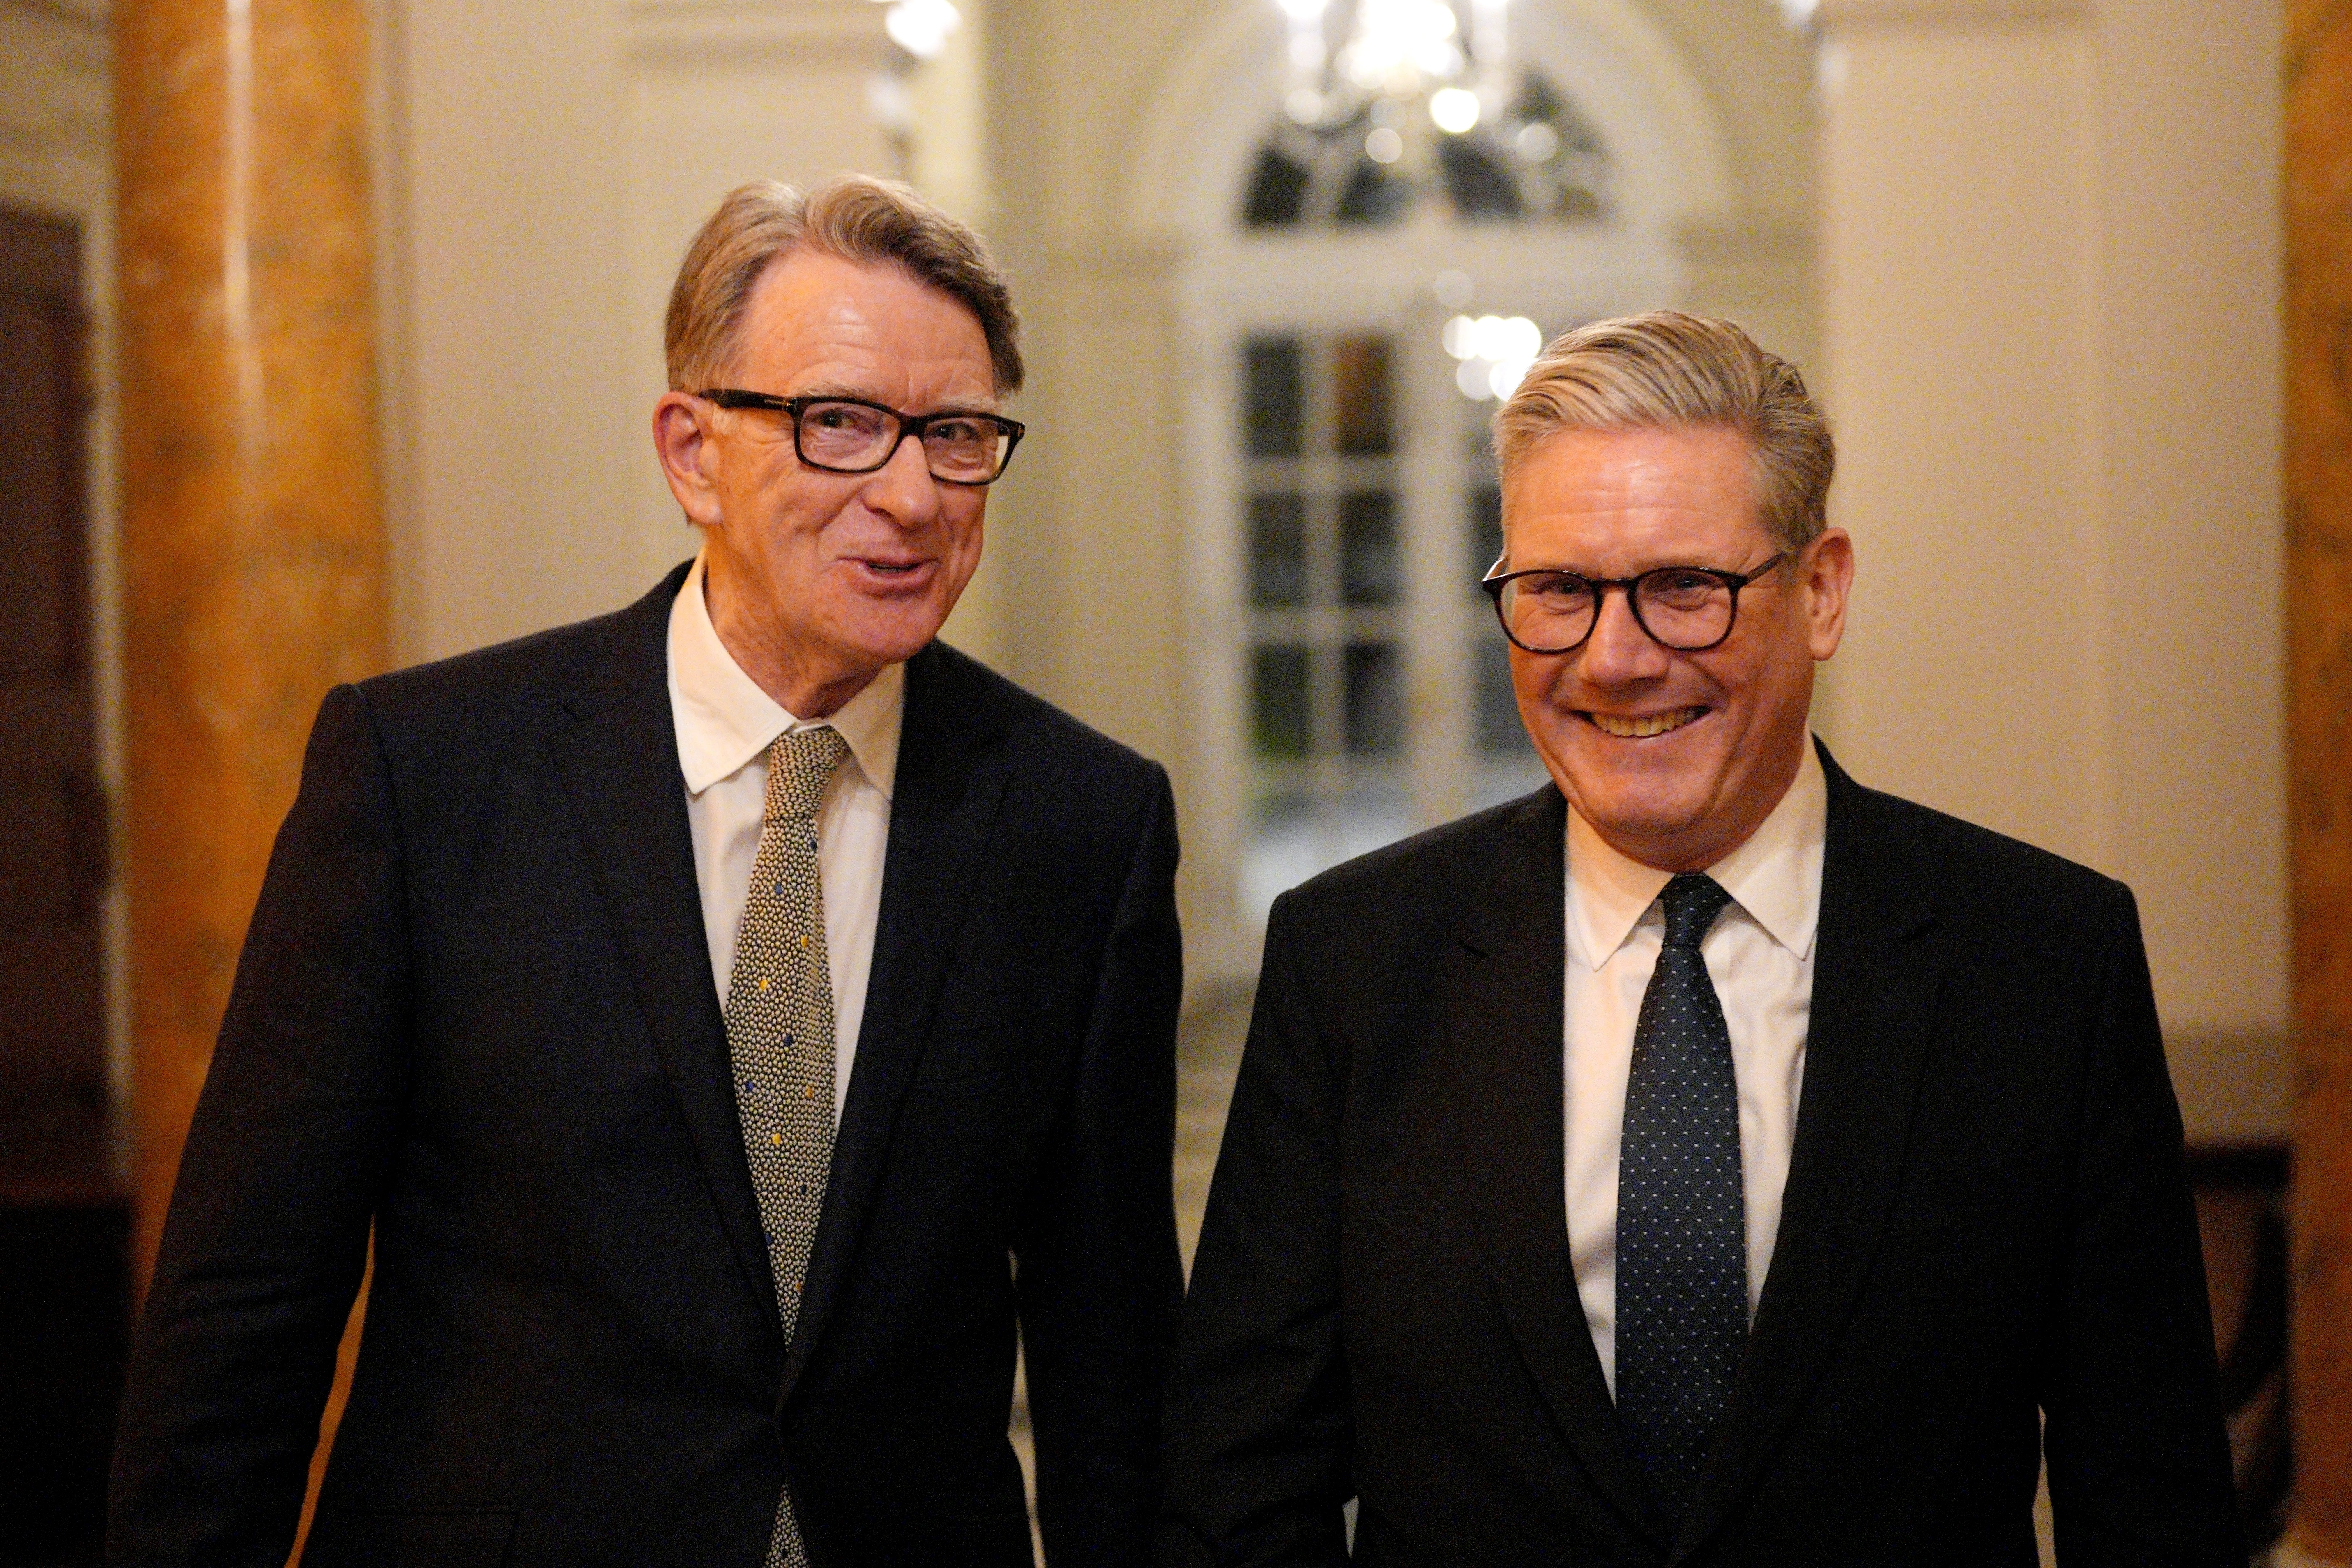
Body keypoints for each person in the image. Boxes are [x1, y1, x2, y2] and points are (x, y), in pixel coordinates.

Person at [109, 176, 1183, 1567]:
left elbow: (1114, 1363)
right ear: (692, 454)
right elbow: (247, 1304)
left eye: (957, 436)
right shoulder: (424, 776)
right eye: (840, 423)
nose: (912, 496)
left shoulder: (1079, 825)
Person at [1161, 312, 2239, 1564]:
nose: (1614, 659)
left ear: (1821, 591)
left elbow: (2151, 1495)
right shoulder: (1352, 960)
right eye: (1559, 591)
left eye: (1685, 589)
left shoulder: (2044, 963)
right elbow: (1244, 1480)